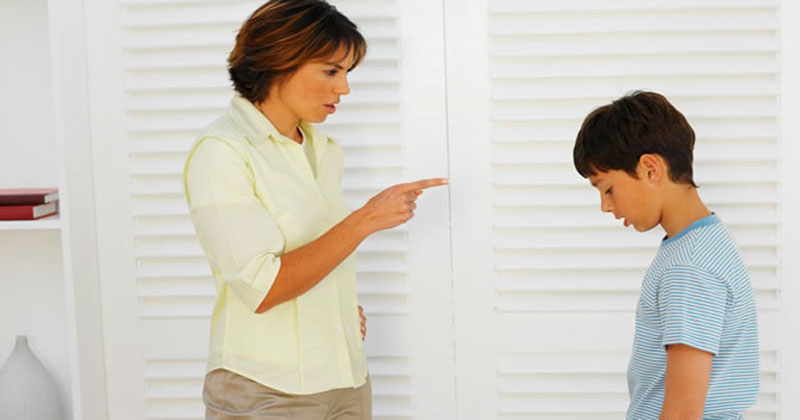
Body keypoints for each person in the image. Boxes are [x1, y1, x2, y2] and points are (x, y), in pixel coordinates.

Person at [182, 1, 447, 418]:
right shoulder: (222, 153)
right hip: (266, 390)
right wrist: (365, 220)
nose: (344, 89)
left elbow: (315, 253)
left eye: (347, 73)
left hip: (346, 380)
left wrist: (335, 308)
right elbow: (264, 288)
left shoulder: (323, 150)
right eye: (331, 71)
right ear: (280, 62)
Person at [572, 91, 759, 419]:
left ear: (650, 169)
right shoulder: (702, 243)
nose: (605, 206)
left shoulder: (689, 267)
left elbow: (683, 414)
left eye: (608, 188)